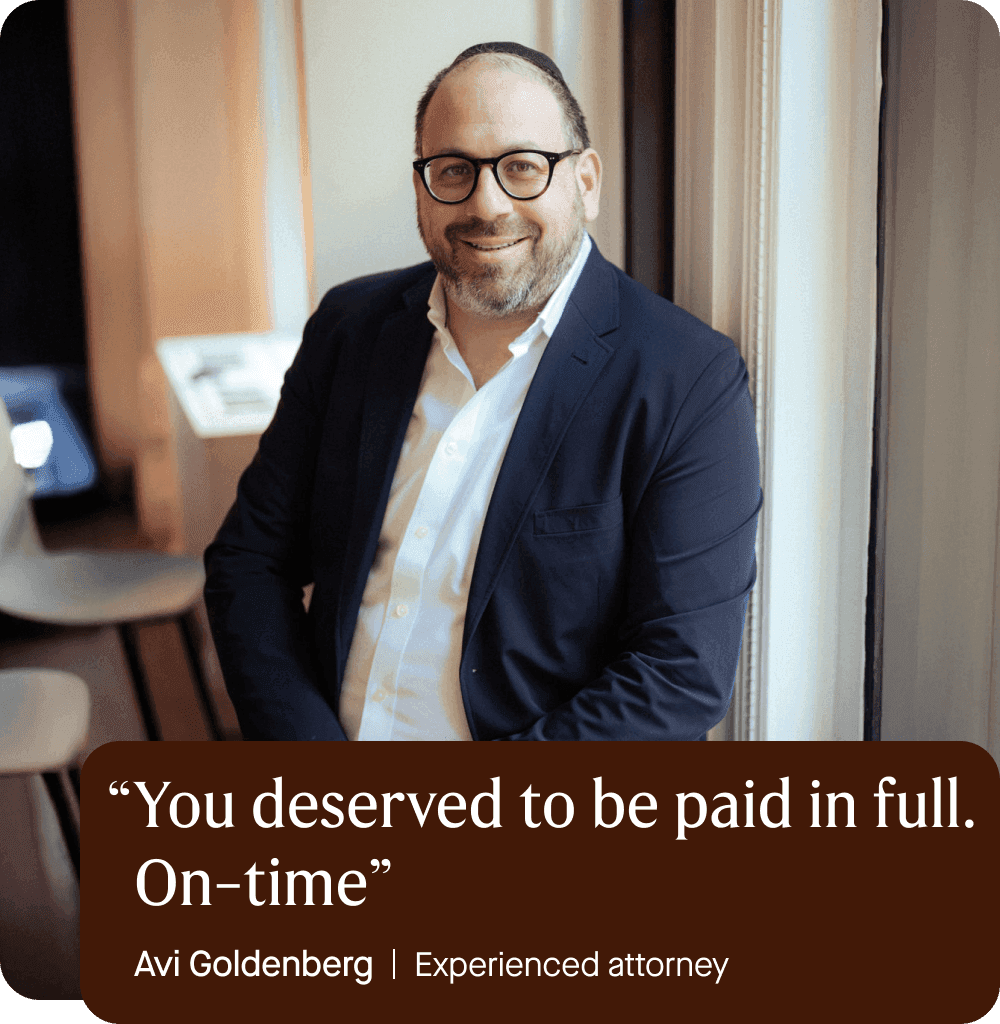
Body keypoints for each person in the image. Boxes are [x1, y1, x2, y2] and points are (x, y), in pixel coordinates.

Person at [204, 41, 761, 742]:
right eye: (454, 170)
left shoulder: (686, 380)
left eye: (524, 167)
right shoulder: (350, 330)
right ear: (421, 187)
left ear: (586, 182)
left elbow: (679, 674)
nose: (486, 203)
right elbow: (249, 560)